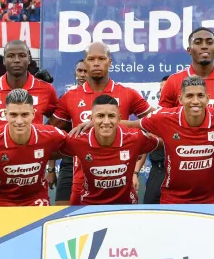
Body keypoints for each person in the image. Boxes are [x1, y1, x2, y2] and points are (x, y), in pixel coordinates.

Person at [50, 41, 154, 205]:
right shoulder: (70, 98)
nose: (96, 63)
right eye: (91, 59)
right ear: (85, 62)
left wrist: (106, 124)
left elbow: (156, 122)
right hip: (82, 181)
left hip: (121, 182)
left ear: (110, 62)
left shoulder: (128, 94)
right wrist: (50, 167)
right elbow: (49, 135)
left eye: (101, 58)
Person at [158, 27, 214, 204]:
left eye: (209, 42)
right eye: (198, 42)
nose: (204, 46)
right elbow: (162, 120)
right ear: (189, 50)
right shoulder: (174, 82)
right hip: (181, 164)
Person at [121, 75, 214, 204]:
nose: (195, 101)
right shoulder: (164, 117)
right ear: (181, 99)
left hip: (212, 200)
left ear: (207, 99)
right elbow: (131, 126)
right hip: (173, 199)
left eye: (200, 95)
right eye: (189, 96)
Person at [58, 94, 160, 205]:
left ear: (119, 119)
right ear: (91, 119)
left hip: (126, 206)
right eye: (100, 116)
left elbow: (164, 140)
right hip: (89, 206)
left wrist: (135, 170)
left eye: (111, 116)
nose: (106, 122)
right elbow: (49, 147)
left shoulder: (135, 137)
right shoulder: (78, 140)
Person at [0, 89, 66, 207]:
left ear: (33, 114)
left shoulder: (50, 134)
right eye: (13, 115)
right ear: (5, 114)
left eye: (25, 114)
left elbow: (80, 144)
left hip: (35, 197)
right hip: (1, 198)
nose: (19, 121)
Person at [0, 40, 58, 133]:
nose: (17, 60)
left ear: (29, 59)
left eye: (22, 56)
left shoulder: (47, 89)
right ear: (4, 60)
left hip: (33, 147)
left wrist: (41, 134)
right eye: (11, 56)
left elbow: (60, 120)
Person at [50, 59, 87, 205]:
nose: (83, 75)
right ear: (74, 73)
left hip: (96, 161)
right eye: (80, 71)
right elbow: (52, 134)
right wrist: (51, 169)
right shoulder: (66, 99)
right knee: (62, 210)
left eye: (86, 71)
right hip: (69, 162)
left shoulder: (102, 100)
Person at [143, 75, 170, 204]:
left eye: (166, 89)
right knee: (149, 211)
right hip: (157, 170)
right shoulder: (153, 116)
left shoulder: (189, 115)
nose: (162, 93)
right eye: (161, 90)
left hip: (178, 173)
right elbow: (143, 144)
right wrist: (135, 172)